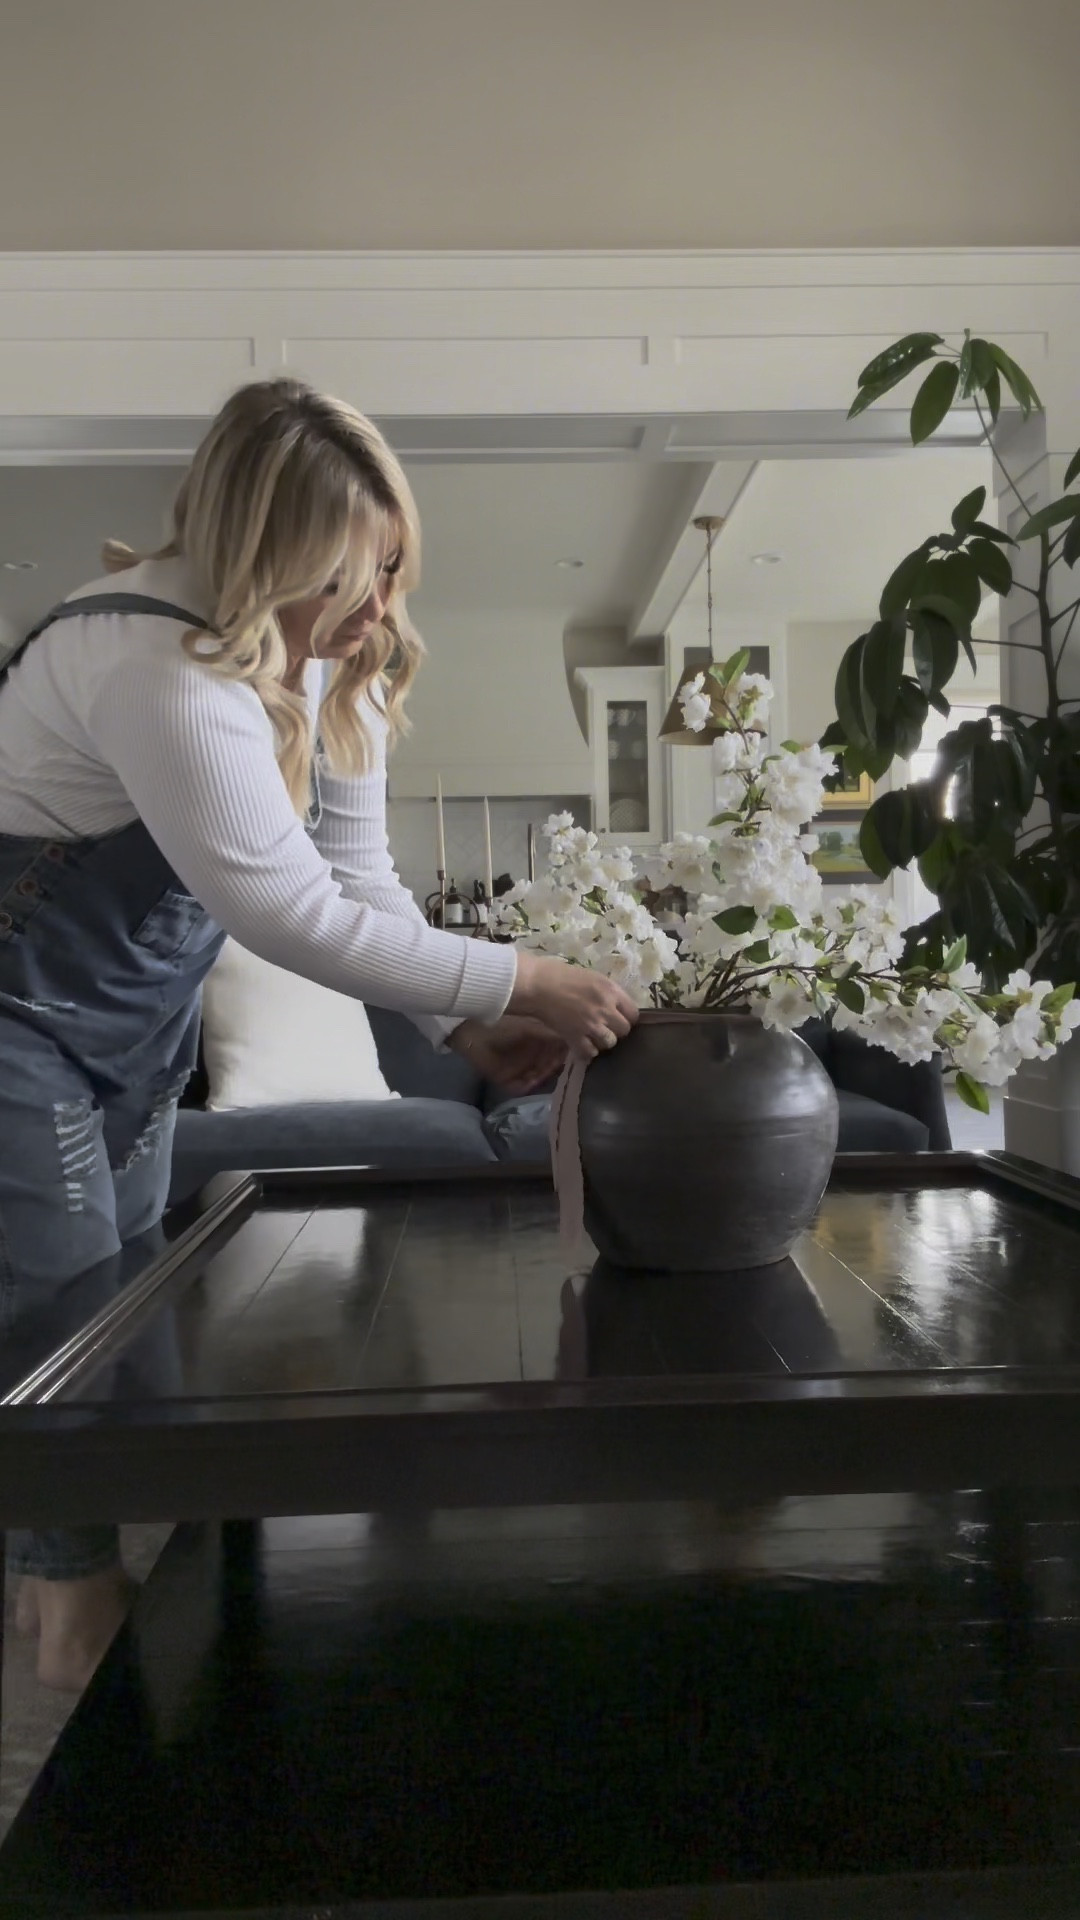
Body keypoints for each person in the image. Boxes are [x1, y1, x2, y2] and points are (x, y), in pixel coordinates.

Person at [0, 377, 637, 1690]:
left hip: (127, 1029)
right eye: (345, 576)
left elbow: (362, 886)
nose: (373, 610)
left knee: (128, 1307)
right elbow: (285, 915)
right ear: (254, 549)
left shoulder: (328, 656)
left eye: (389, 568)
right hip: (16, 1028)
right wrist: (520, 975)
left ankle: (138, 1592)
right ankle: (67, 1617)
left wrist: (460, 1025)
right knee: (54, 1314)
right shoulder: (144, 664)